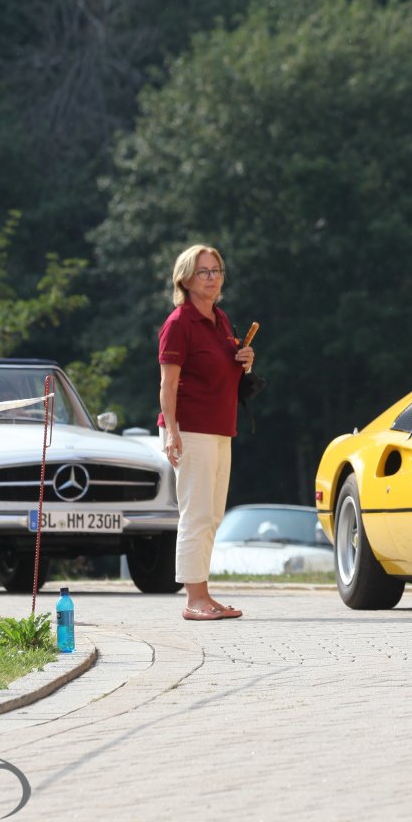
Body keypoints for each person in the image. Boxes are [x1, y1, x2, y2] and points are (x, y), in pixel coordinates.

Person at [158, 243, 255, 621]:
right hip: (190, 429)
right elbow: (167, 385)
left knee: (212, 515)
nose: (212, 278)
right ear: (185, 279)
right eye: (204, 272)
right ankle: (193, 600)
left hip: (220, 428)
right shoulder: (179, 323)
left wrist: (245, 361)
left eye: (216, 271)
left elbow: (224, 370)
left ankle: (204, 594)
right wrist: (172, 432)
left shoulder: (220, 319)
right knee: (196, 514)